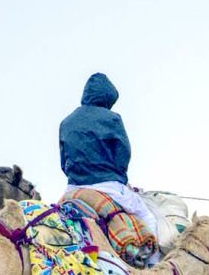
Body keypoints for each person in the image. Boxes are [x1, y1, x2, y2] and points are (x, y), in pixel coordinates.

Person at [59, 72, 160, 237]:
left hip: (72, 188)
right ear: (107, 98)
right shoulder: (112, 118)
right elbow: (123, 154)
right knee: (148, 218)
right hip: (108, 186)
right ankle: (152, 263)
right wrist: (119, 178)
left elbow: (64, 163)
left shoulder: (66, 122)